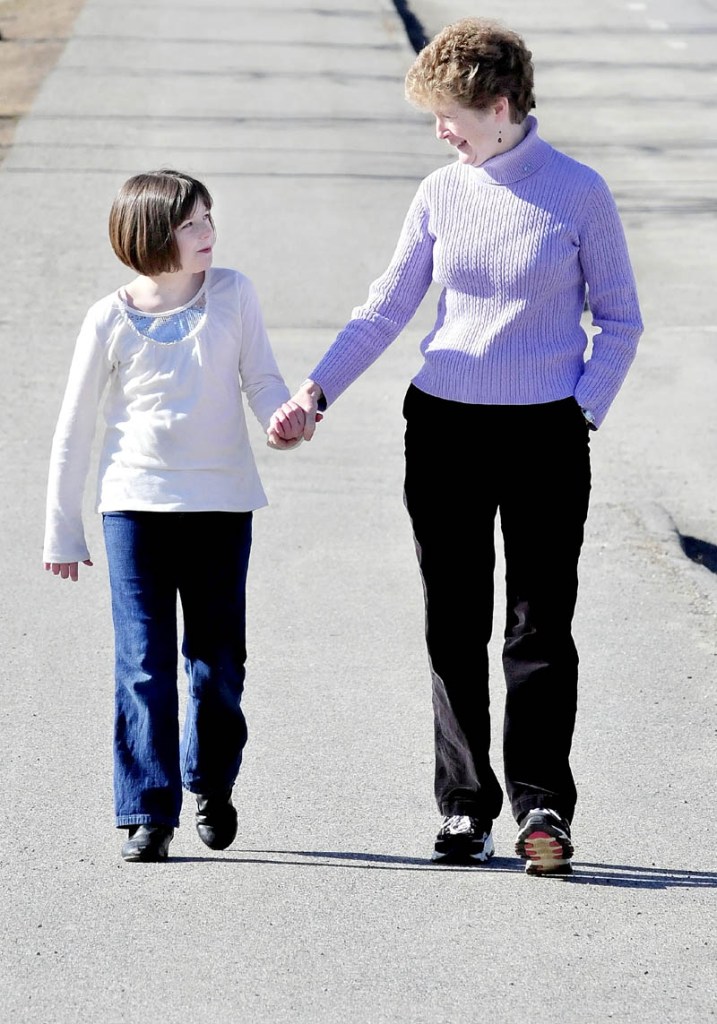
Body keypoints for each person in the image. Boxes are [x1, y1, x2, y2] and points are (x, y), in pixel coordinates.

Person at [270, 18, 643, 875]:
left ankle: (541, 804)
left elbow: (619, 321)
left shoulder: (578, 192)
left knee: (538, 627)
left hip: (547, 432)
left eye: (447, 115)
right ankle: (464, 807)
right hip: (443, 428)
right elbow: (385, 306)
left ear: (500, 104)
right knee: (452, 622)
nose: (438, 131)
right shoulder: (441, 192)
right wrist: (313, 392)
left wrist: (578, 413)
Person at [43, 169, 305, 863]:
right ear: (152, 234)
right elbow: (74, 427)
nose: (209, 232)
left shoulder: (234, 294)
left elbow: (263, 380)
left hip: (221, 506)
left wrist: (282, 419)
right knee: (142, 664)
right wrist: (61, 527)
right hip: (134, 509)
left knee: (217, 663)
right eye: (192, 223)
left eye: (209, 217)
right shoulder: (109, 317)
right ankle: (146, 810)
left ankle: (211, 785)